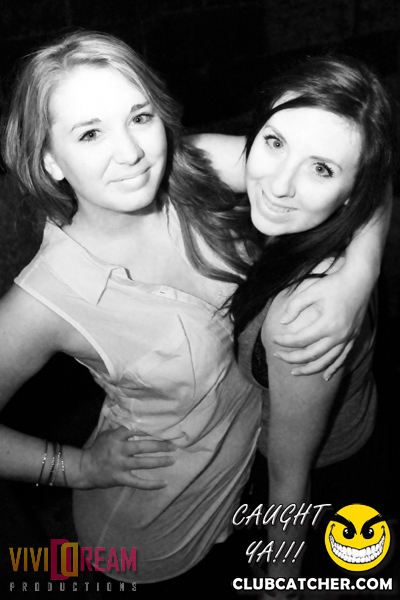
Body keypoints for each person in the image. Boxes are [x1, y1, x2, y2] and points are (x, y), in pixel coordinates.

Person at [0, 31, 389, 598]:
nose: (130, 152)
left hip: (246, 486)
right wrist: (77, 468)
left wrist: (358, 275)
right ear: (49, 160)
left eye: (139, 117)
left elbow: (354, 164)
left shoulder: (190, 169)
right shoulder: (44, 300)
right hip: (153, 526)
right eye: (90, 133)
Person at [221, 55, 394, 598]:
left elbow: (289, 480)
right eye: (274, 143)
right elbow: (164, 154)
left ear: (351, 193)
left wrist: (280, 584)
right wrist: (365, 266)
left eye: (321, 169)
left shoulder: (303, 315)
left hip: (327, 476)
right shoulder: (299, 200)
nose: (279, 185)